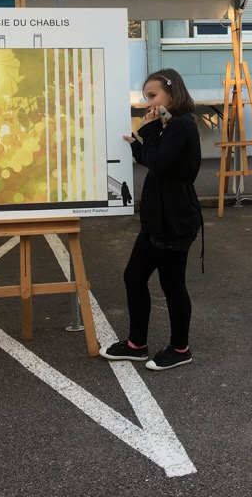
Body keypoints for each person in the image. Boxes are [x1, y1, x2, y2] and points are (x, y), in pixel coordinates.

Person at [99, 69, 203, 371]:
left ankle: (180, 348)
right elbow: (156, 160)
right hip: (159, 219)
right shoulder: (172, 126)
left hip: (174, 220)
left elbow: (158, 162)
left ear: (172, 92)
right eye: (147, 98)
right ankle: (136, 344)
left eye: (153, 96)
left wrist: (151, 130)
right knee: (134, 276)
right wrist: (136, 144)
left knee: (172, 286)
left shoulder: (182, 125)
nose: (149, 104)